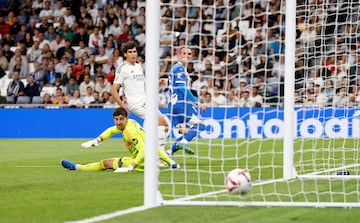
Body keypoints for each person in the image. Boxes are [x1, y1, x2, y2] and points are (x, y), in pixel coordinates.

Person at [61, 107, 179, 172]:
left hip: (141, 162)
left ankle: (76, 167)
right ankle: (166, 163)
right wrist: (97, 140)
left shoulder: (129, 133)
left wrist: (132, 166)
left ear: (126, 118)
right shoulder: (131, 123)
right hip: (152, 160)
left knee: (105, 163)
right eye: (116, 119)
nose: (118, 122)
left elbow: (144, 150)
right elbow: (112, 131)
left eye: (121, 119)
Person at [111, 41, 169, 152]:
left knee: (164, 125)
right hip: (136, 103)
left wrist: (157, 83)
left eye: (134, 51)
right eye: (130, 52)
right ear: (125, 54)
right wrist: (122, 105)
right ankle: (160, 157)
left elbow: (145, 85)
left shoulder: (138, 66)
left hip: (145, 101)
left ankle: (157, 153)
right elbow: (114, 89)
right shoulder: (122, 68)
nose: (133, 54)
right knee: (161, 121)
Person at [167, 47, 206, 156]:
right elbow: (182, 88)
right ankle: (184, 143)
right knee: (201, 125)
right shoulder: (179, 68)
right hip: (181, 104)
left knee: (186, 132)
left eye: (189, 54)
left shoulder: (178, 69)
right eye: (184, 53)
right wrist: (196, 102)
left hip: (172, 106)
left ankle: (169, 152)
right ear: (179, 55)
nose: (187, 56)